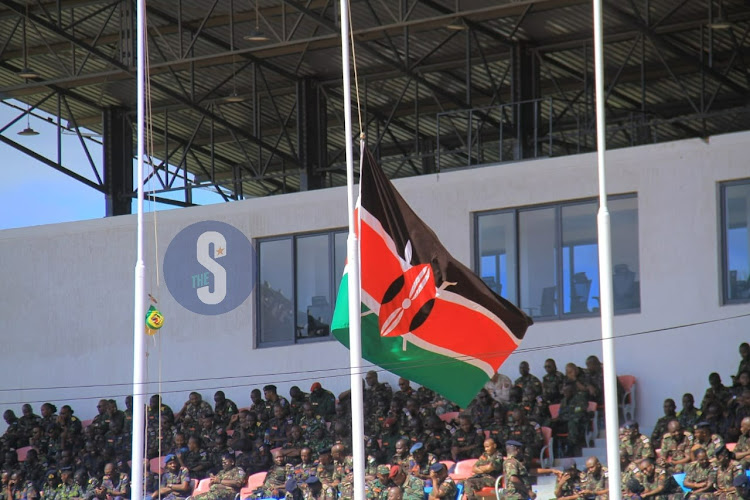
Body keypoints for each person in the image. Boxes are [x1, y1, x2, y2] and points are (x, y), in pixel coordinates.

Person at [554, 383, 590, 456]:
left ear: (572, 391)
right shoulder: (564, 400)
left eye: (567, 391)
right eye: (564, 391)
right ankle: (553, 449)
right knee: (550, 423)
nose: (565, 393)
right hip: (566, 422)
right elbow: (561, 413)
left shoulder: (580, 398)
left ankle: (571, 446)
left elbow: (579, 414)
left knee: (572, 423)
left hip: (579, 423)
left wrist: (564, 418)